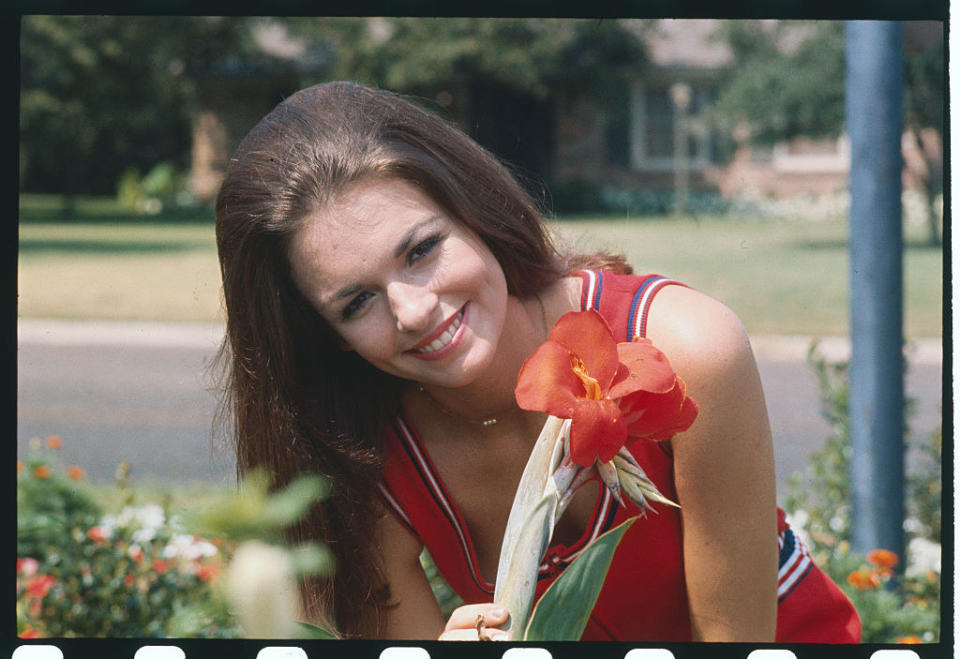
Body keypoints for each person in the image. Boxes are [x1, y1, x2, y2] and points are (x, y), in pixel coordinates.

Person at [214, 81, 860, 642]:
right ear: (329, 337)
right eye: (357, 301)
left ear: (472, 211)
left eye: (421, 250)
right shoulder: (361, 459)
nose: (412, 311)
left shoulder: (686, 347)